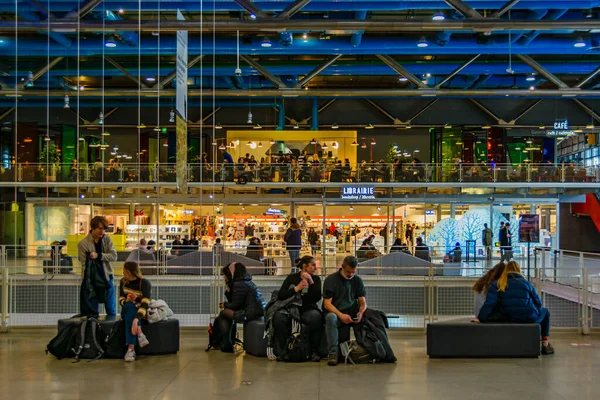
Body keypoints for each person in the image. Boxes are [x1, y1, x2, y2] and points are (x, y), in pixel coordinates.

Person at [477, 261, 554, 355]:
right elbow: (538, 303)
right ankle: (545, 344)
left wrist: (481, 318)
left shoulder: (498, 284)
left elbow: (490, 303)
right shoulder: (527, 283)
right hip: (530, 317)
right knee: (545, 312)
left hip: (510, 316)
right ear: (518, 270)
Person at [273, 255, 322, 362]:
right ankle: (283, 350)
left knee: (316, 317)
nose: (315, 268)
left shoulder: (316, 279)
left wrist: (311, 283)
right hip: (290, 308)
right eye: (313, 265)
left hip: (307, 309)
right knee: (278, 318)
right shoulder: (292, 278)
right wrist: (296, 288)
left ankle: (314, 351)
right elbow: (281, 295)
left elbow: (316, 297)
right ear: (305, 266)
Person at [323, 256, 367, 366]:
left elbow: (363, 302)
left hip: (351, 312)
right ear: (342, 267)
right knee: (330, 318)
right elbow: (327, 304)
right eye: (348, 272)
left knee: (370, 316)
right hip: (336, 313)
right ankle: (333, 353)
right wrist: (341, 315)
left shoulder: (357, 280)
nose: (350, 275)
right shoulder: (331, 280)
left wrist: (361, 313)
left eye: (353, 272)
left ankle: (368, 349)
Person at [218, 262, 266, 352]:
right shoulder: (246, 282)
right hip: (258, 312)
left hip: (251, 313)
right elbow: (235, 302)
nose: (224, 277)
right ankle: (228, 342)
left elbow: (235, 305)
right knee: (227, 314)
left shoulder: (239, 284)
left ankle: (227, 344)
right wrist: (228, 290)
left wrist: (224, 304)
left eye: (225, 275)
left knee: (223, 314)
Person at [77, 216, 118, 316]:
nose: (102, 232)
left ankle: (111, 330)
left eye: (104, 229)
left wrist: (98, 256)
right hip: (92, 281)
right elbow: (84, 264)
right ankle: (93, 330)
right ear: (92, 228)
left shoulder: (107, 239)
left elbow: (114, 256)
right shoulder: (83, 244)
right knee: (92, 311)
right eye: (100, 228)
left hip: (107, 277)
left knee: (111, 309)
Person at [119, 261, 152, 362]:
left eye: (124, 271)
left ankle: (131, 349)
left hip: (138, 312)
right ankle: (140, 333)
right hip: (127, 309)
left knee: (131, 310)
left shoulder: (144, 283)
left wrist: (136, 319)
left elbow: (145, 304)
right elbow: (121, 300)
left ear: (129, 272)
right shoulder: (123, 282)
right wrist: (127, 300)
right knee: (129, 306)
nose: (123, 273)